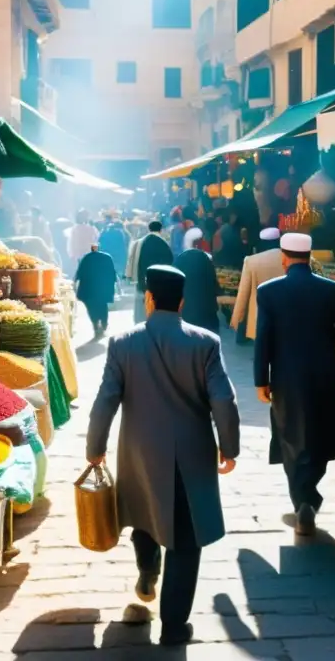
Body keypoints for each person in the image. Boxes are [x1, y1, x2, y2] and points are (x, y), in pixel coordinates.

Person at [87, 265, 239, 646]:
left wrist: (95, 448)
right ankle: (174, 624)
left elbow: (105, 401)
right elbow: (224, 399)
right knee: (186, 540)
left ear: (149, 298)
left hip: (139, 454)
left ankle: (147, 572)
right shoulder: (205, 343)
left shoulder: (122, 343)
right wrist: (230, 447)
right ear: (182, 302)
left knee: (144, 515)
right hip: (191, 454)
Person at [254, 233, 335, 536]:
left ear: (283, 258)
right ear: (310, 257)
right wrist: (327, 341)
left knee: (289, 436)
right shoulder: (331, 290)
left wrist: (261, 379)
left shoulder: (269, 292)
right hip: (324, 373)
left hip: (286, 376)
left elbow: (264, 339)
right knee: (320, 435)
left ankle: (303, 502)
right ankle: (307, 497)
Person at [230, 228, 283, 341]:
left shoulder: (251, 261)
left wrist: (237, 319)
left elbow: (243, 293)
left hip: (259, 318)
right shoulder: (290, 259)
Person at [175, 228, 221, 333]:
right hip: (207, 314)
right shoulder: (206, 258)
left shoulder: (180, 259)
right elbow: (214, 284)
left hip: (186, 313)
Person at [134, 221, 174, 322]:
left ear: (149, 229)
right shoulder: (163, 243)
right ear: (161, 229)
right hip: (159, 279)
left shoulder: (141, 242)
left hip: (144, 278)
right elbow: (169, 261)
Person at [74, 244, 116, 338]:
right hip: (103, 288)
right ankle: (104, 323)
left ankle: (95, 323)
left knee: (91, 308)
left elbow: (79, 273)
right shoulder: (107, 257)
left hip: (89, 289)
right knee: (102, 306)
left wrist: (75, 282)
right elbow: (112, 273)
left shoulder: (86, 258)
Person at [67, 210, 100, 275]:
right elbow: (95, 241)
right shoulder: (91, 229)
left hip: (80, 255)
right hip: (88, 254)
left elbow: (72, 243)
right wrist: (95, 253)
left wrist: (72, 253)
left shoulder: (75, 229)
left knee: (81, 271)